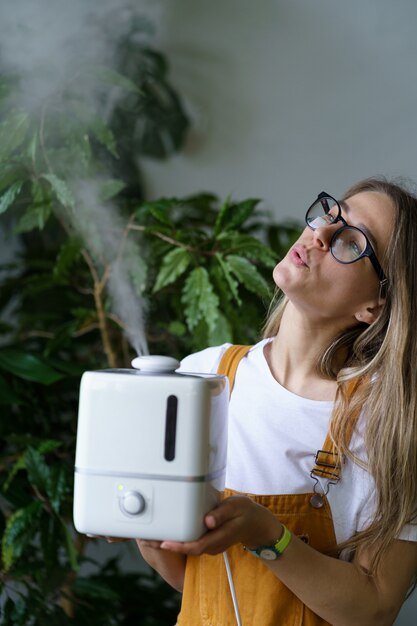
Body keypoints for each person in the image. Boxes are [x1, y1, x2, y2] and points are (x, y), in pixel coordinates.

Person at [136, 177, 417, 626]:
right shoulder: (203, 376)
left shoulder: (388, 423)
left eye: (351, 241)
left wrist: (267, 534)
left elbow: (375, 608)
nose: (320, 234)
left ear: (374, 306)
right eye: (332, 214)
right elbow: (198, 580)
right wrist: (149, 535)